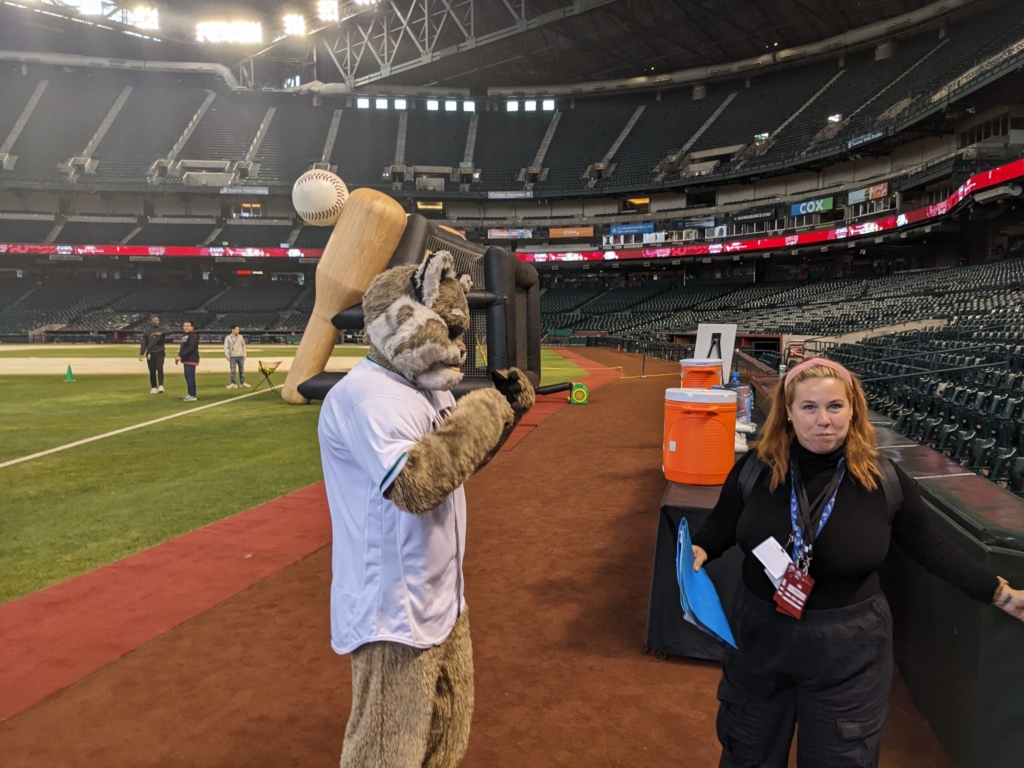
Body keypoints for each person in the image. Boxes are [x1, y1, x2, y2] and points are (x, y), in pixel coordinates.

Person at [691, 357, 1024, 768]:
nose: (823, 420)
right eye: (809, 407)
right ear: (789, 414)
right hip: (760, 636)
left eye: (835, 406)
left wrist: (1000, 593)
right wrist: (701, 548)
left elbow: (932, 548)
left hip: (848, 650)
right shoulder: (754, 470)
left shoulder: (883, 479)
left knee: (841, 757)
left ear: (853, 410)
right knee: (747, 749)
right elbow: (723, 523)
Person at [138, 315, 171, 394]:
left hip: (160, 352)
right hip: (150, 353)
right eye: (155, 320)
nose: (157, 322)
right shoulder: (147, 331)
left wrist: (161, 333)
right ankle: (153, 387)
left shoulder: (162, 329)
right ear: (151, 321)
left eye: (158, 320)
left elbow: (169, 331)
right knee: (152, 370)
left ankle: (161, 386)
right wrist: (141, 352)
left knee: (159, 368)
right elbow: (144, 343)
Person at [175, 321, 200, 402]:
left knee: (190, 377)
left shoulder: (194, 336)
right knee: (187, 377)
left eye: (188, 326)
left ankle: (192, 395)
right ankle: (190, 394)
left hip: (191, 358)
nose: (186, 327)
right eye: (185, 326)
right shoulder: (186, 335)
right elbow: (183, 347)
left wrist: (181, 356)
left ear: (192, 327)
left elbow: (191, 348)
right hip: (186, 359)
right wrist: (179, 356)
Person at [223, 325, 249, 389]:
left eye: (238, 329)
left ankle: (242, 382)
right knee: (233, 370)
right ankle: (233, 383)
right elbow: (225, 347)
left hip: (240, 356)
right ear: (232, 330)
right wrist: (227, 355)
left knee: (242, 370)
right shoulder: (228, 337)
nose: (238, 331)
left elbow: (244, 346)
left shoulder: (240, 337)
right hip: (232, 356)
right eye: (237, 329)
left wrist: (244, 354)